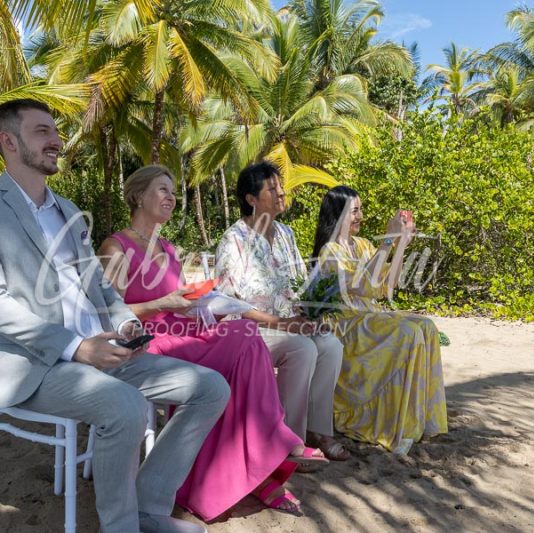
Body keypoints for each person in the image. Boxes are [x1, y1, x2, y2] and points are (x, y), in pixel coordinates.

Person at [0, 99, 230, 533]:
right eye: (42, 131)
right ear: (8, 141)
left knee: (210, 388)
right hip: (33, 366)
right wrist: (76, 347)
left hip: (102, 351)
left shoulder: (67, 209)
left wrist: (125, 324)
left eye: (55, 131)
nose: (56, 140)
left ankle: (148, 511)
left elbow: (98, 286)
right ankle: (120, 527)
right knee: (127, 406)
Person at [98, 165, 328, 521]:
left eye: (173, 191)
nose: (170, 198)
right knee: (243, 346)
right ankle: (274, 445)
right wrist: (164, 304)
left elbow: (180, 301)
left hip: (185, 329)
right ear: (138, 196)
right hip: (151, 342)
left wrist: (205, 304)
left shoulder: (168, 248)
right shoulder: (116, 246)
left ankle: (262, 459)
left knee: (244, 336)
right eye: (162, 190)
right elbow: (109, 314)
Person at [214, 161, 349, 463]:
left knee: (330, 344)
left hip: (288, 324)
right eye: (272, 188)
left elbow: (299, 285)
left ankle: (318, 429)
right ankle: (288, 440)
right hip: (250, 330)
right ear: (251, 199)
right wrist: (286, 324)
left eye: (281, 186)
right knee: (302, 349)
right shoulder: (233, 240)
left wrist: (311, 317)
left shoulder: (286, 234)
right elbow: (231, 305)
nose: (281, 192)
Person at [310, 185, 448, 455]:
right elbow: (363, 286)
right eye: (355, 211)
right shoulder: (329, 251)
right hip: (344, 321)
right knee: (407, 333)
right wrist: (388, 239)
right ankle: (393, 427)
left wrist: (400, 243)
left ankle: (418, 421)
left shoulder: (361, 245)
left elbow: (386, 287)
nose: (360, 216)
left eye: (361, 209)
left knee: (426, 327)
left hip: (367, 314)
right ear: (338, 215)